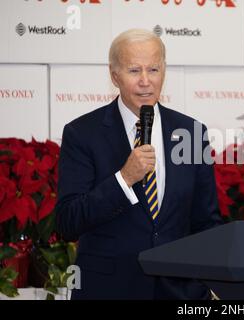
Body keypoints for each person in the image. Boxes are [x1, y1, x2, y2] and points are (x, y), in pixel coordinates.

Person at [56, 29, 222, 299]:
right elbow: (68, 222)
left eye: (153, 69)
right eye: (134, 71)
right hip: (109, 290)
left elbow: (206, 222)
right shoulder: (82, 133)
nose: (146, 81)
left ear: (164, 72)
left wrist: (209, 283)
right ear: (114, 76)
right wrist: (124, 179)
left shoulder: (191, 132)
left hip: (181, 292)